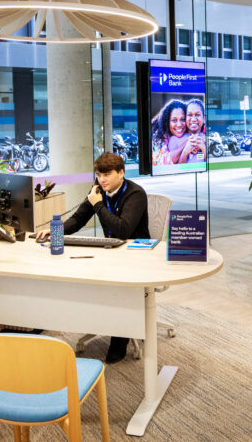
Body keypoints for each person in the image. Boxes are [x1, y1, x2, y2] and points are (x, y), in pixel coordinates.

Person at [37, 152, 149, 363]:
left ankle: (121, 336)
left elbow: (123, 230)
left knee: (119, 287)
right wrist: (56, 230)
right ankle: (106, 321)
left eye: (107, 174)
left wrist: (98, 204)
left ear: (121, 173)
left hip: (136, 255)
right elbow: (78, 219)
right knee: (86, 280)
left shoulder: (135, 194)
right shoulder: (97, 191)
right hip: (111, 251)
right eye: (99, 174)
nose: (102, 179)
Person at [151, 100, 188, 165]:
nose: (179, 124)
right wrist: (187, 142)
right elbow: (164, 162)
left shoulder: (189, 130)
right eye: (174, 120)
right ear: (167, 121)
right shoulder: (158, 135)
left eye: (183, 119)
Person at [179, 99, 206, 164]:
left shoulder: (207, 138)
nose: (193, 119)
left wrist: (203, 148)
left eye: (197, 115)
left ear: (204, 118)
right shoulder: (175, 139)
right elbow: (176, 169)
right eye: (190, 115)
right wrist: (185, 152)